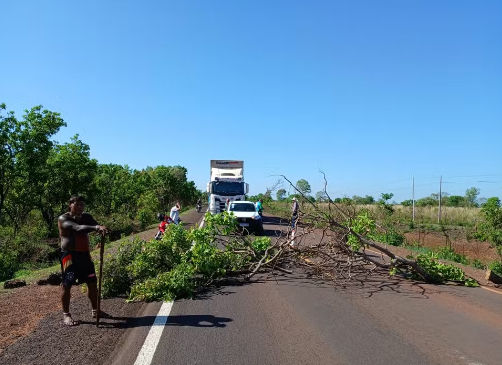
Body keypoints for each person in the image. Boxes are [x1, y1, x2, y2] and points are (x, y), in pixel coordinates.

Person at [58, 195, 109, 326]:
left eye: (82, 205)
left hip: (84, 255)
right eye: (77, 205)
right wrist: (97, 228)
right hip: (69, 256)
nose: (80, 207)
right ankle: (66, 315)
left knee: (92, 282)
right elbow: (77, 228)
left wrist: (102, 229)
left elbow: (95, 224)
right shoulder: (64, 218)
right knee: (67, 284)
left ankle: (96, 310)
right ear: (70, 205)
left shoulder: (86, 216)